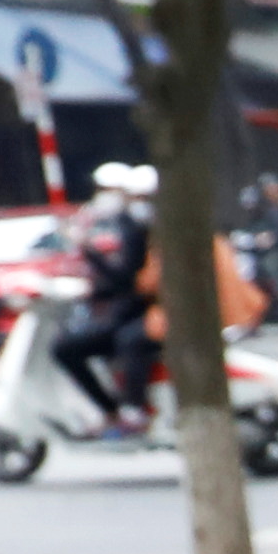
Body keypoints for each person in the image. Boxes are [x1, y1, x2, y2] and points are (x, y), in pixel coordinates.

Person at [54, 163, 162, 425]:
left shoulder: (142, 227)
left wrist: (89, 251)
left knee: (119, 341)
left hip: (149, 311)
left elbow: (128, 277)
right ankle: (117, 409)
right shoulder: (129, 225)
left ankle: (129, 412)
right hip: (132, 307)